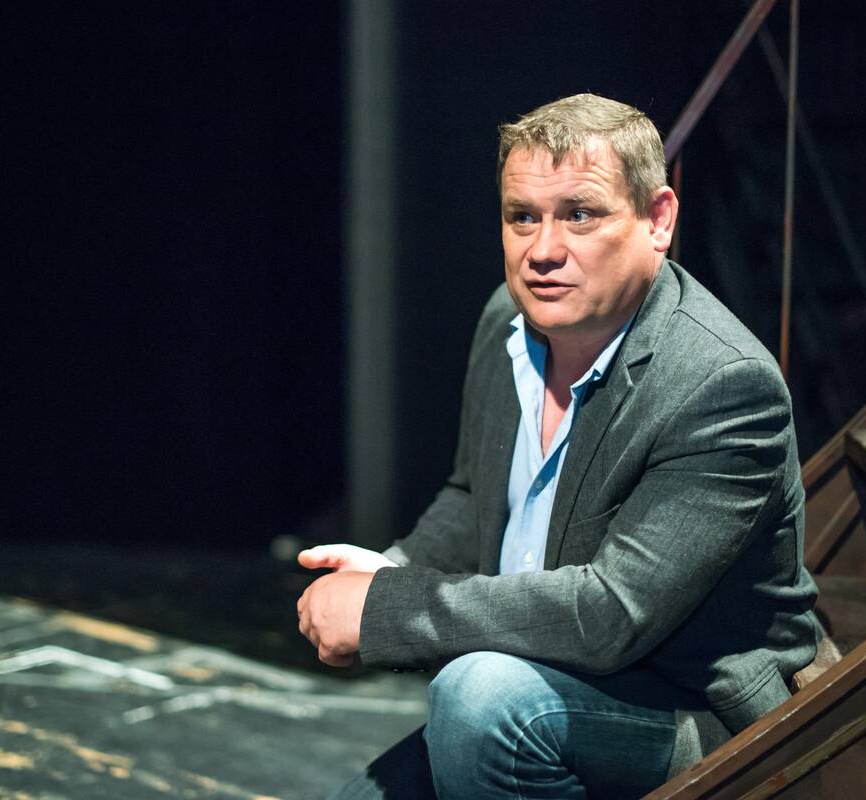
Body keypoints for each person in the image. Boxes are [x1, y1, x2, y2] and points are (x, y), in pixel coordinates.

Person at [296, 93, 821, 799]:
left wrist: (387, 609)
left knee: (480, 699)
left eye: (580, 215)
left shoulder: (721, 384)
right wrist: (390, 570)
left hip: (688, 710)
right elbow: (474, 497)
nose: (542, 250)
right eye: (523, 217)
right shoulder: (506, 320)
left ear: (658, 219)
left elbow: (609, 616)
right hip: (540, 674)